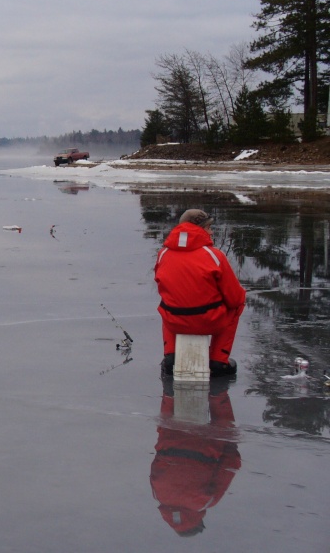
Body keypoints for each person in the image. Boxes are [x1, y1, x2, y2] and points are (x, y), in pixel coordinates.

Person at [154, 209, 246, 377]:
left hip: (175, 322)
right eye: (209, 227)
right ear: (199, 229)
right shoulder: (214, 256)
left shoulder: (163, 254)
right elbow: (234, 298)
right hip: (209, 321)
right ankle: (219, 360)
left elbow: (163, 288)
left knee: (168, 305)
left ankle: (170, 356)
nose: (211, 232)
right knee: (237, 304)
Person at [149, 380, 241, 536]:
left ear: (197, 521)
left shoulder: (204, 503)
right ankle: (169, 393)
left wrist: (231, 448)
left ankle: (218, 392)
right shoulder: (158, 496)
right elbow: (156, 465)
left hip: (204, 447)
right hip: (171, 440)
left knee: (226, 433)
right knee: (165, 427)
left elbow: (229, 466)